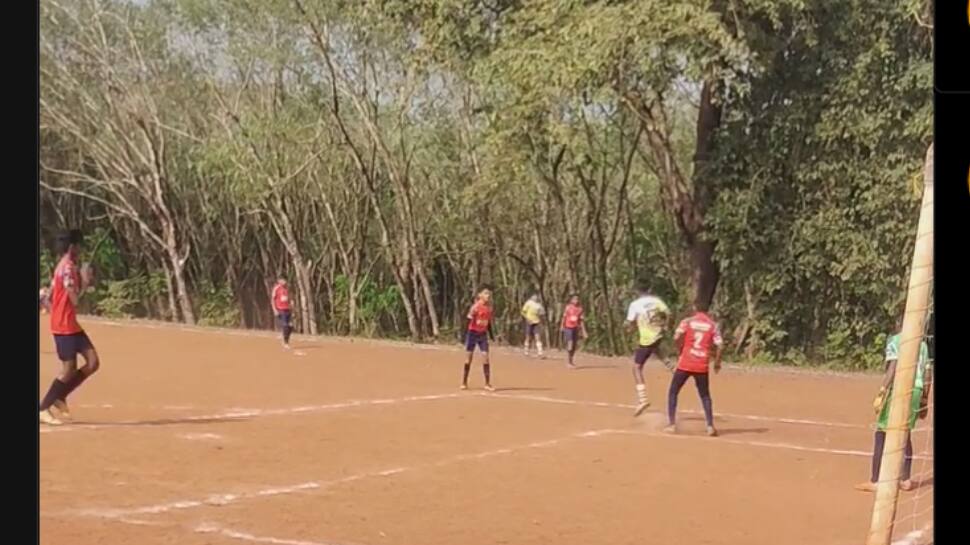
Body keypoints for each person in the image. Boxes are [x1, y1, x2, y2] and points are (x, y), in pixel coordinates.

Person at [855, 321, 932, 493]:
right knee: (905, 432)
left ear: (899, 323)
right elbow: (928, 373)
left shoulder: (896, 340)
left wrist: (882, 391)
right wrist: (924, 399)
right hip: (917, 390)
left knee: (881, 432)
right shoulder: (922, 345)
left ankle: (876, 480)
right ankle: (905, 479)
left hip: (900, 389)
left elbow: (893, 367)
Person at [39, 230, 100, 426]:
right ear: (72, 247)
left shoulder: (66, 267)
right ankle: (43, 407)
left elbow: (51, 297)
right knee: (68, 369)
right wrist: (85, 282)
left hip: (69, 323)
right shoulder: (67, 268)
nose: (81, 250)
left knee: (92, 362)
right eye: (79, 246)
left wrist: (82, 280)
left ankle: (60, 396)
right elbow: (75, 300)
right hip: (63, 324)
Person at [666, 302, 723, 436]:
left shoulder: (687, 322)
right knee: (705, 395)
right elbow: (720, 345)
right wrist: (717, 363)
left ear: (694, 308)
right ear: (708, 310)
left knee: (673, 392)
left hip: (685, 362)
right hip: (702, 364)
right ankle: (710, 426)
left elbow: (676, 337)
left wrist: (680, 348)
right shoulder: (712, 325)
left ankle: (672, 424)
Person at [625, 282, 671, 416]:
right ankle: (673, 368)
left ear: (636, 291)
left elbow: (630, 322)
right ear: (649, 289)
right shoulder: (657, 301)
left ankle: (643, 399)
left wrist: (628, 327)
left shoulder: (635, 305)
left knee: (636, 367)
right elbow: (668, 313)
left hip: (647, 338)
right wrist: (666, 325)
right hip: (658, 334)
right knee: (657, 350)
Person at [462, 288, 496, 391]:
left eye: (489, 294)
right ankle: (464, 382)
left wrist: (491, 334)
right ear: (480, 295)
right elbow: (468, 319)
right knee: (469, 358)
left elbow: (488, 322)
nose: (488, 296)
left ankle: (487, 383)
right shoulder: (475, 307)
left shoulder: (489, 308)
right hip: (473, 333)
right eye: (485, 294)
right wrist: (464, 335)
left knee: (485, 357)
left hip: (483, 335)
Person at [560, 294, 587, 368]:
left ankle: (571, 361)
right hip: (568, 328)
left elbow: (581, 321)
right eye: (574, 299)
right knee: (570, 343)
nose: (576, 301)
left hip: (576, 328)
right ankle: (568, 362)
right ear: (571, 300)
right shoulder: (568, 308)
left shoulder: (580, 309)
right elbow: (564, 317)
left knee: (574, 346)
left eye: (577, 299)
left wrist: (584, 331)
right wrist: (562, 326)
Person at [271, 277, 293, 350]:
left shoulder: (287, 288)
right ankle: (285, 342)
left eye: (285, 280)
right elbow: (273, 300)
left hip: (288, 309)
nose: (284, 282)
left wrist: (292, 305)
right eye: (282, 280)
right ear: (279, 281)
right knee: (285, 325)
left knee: (291, 326)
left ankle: (285, 337)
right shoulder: (276, 288)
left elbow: (289, 298)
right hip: (280, 309)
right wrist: (275, 310)